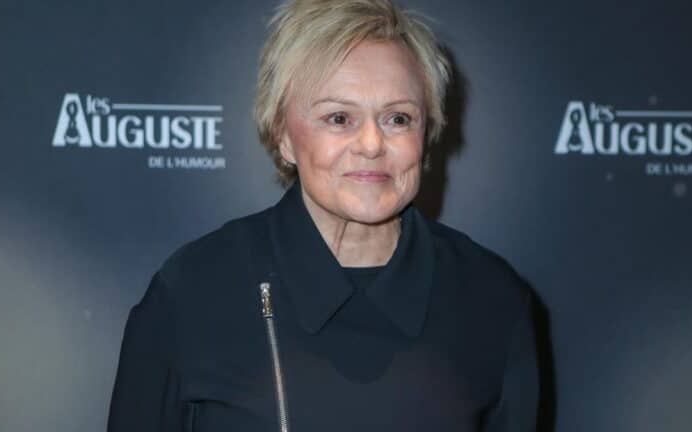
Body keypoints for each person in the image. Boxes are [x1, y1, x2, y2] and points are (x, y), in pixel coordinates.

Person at [107, 0, 539, 431]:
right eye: (339, 118)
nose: (371, 144)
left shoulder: (492, 299)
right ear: (283, 135)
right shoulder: (191, 293)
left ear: (426, 132)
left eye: (398, 118)